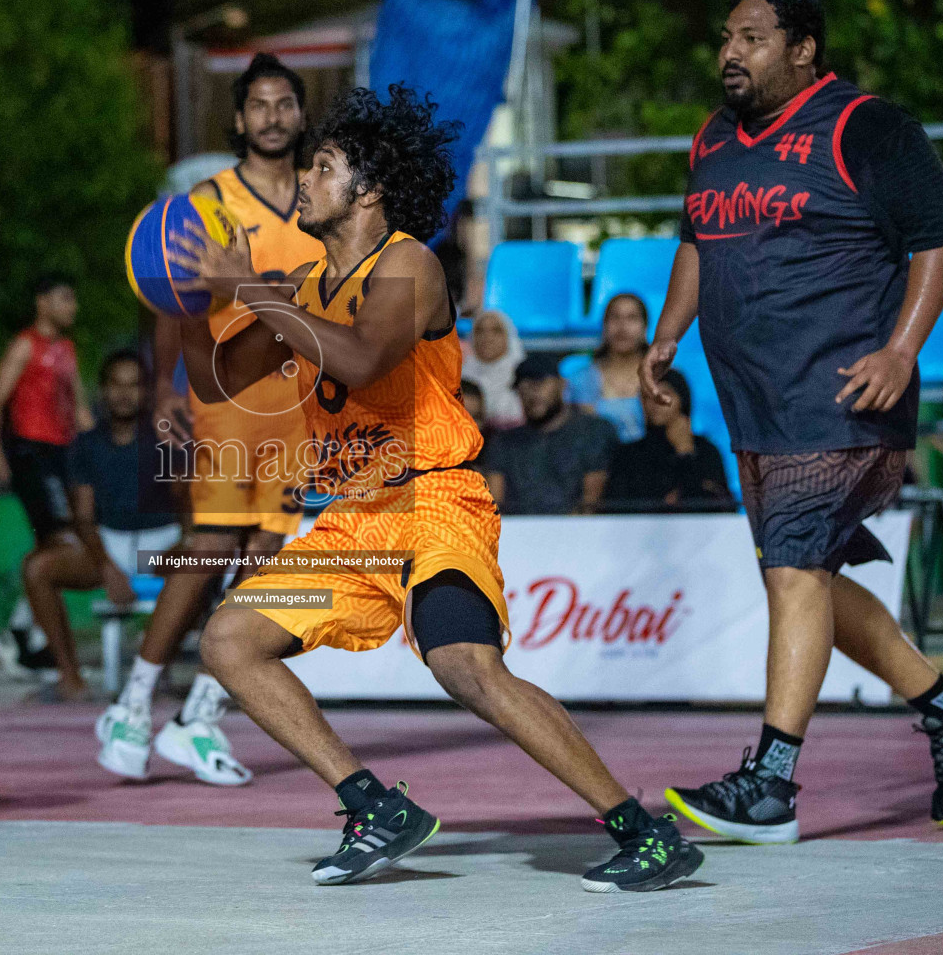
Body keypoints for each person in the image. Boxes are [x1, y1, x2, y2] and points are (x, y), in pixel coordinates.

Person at [171, 84, 702, 892]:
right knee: (229, 641)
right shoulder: (306, 285)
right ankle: (373, 806)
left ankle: (644, 831)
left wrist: (256, 291)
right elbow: (229, 381)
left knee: (465, 666)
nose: (303, 180)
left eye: (322, 166)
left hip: (432, 505)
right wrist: (198, 296)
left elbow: (358, 359)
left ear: (370, 188)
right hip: (352, 523)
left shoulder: (408, 263)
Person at [649, 0, 943, 843]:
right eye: (727, 38)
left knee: (793, 572)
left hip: (844, 394)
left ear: (804, 48)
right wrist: (663, 341)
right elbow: (698, 238)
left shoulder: (866, 126)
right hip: (758, 408)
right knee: (806, 574)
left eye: (754, 38)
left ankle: (771, 781)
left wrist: (900, 350)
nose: (732, 52)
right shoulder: (713, 139)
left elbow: (939, 235)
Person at [96, 53, 323, 787]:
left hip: (296, 403)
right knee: (209, 545)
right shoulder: (208, 201)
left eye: (283, 103)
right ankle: (131, 705)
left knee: (268, 556)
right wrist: (168, 386)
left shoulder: (322, 196)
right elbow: (173, 297)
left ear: (298, 111)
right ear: (237, 119)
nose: (272, 116)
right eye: (258, 105)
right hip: (225, 399)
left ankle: (200, 715)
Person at [21, 352, 182, 700]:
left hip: (163, 544)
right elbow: (83, 516)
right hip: (108, 544)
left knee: (206, 562)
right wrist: (108, 569)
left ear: (148, 392)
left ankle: (166, 674)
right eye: (116, 385)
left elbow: (193, 509)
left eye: (134, 385)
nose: (124, 393)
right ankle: (70, 679)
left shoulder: (170, 439)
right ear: (104, 391)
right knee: (37, 568)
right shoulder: (85, 445)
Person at [0, 276, 92, 675]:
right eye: (65, 298)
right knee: (58, 537)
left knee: (68, 539)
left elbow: (79, 407)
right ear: (42, 302)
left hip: (64, 455)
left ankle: (22, 627)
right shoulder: (24, 345)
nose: (72, 307)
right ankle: (24, 630)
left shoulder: (66, 349)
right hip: (32, 454)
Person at [480, 353, 617, 515]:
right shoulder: (503, 442)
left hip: (582, 532)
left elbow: (591, 503)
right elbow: (495, 507)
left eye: (540, 382)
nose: (532, 392)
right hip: (517, 533)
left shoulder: (594, 431)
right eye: (523, 386)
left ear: (562, 384)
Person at [602, 368, 735, 514]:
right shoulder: (627, 455)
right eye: (647, 396)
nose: (655, 402)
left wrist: (685, 452)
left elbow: (719, 507)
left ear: (682, 399)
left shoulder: (706, 451)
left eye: (665, 394)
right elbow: (614, 507)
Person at [568, 292, 648, 443]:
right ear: (604, 326)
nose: (622, 327)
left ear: (645, 327)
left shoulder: (661, 378)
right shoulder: (580, 380)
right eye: (615, 317)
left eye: (632, 318)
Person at [460, 310, 524, 430]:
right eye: (480, 330)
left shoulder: (523, 378)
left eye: (496, 330)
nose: (487, 337)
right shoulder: (458, 380)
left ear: (509, 336)